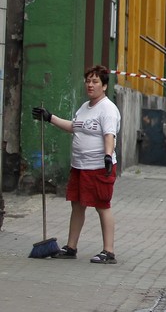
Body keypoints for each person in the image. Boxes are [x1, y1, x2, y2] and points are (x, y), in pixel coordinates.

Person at [31, 65, 122, 264]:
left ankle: (109, 251)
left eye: (95, 81)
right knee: (77, 205)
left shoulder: (107, 109)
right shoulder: (85, 107)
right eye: (88, 81)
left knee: (102, 205)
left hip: (99, 167)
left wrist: (107, 156)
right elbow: (74, 127)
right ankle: (71, 247)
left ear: (104, 86)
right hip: (80, 166)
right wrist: (50, 117)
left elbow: (109, 135)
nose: (90, 85)